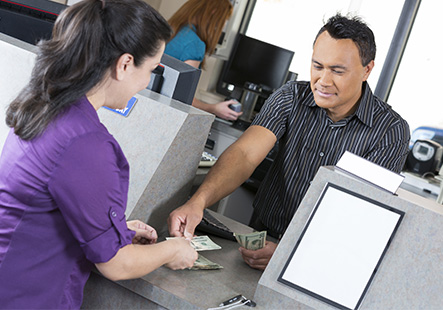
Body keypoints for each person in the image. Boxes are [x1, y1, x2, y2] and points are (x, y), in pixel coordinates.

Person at [168, 14, 410, 270]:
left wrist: (295, 252)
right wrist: (198, 202)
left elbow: (360, 217)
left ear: (367, 70)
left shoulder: (390, 131)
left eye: (337, 71)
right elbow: (245, 154)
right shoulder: (290, 97)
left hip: (322, 260)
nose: (324, 81)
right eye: (318, 66)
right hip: (263, 238)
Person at [0, 0, 197, 308]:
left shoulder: (47, 103)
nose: (147, 83)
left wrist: (113, 231)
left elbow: (46, 207)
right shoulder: (84, 143)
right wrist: (174, 250)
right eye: (150, 70)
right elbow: (117, 264)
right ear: (125, 64)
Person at [164, 0, 242, 121]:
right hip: (166, 116)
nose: (220, 27)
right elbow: (184, 98)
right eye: (222, 21)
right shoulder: (195, 44)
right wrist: (214, 108)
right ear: (213, 12)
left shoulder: (167, 30)